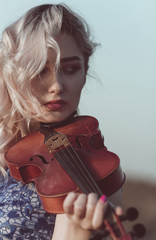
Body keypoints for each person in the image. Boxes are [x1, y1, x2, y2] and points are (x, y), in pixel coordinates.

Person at [0, 4, 124, 240]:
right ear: (12, 75)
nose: (56, 85)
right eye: (39, 70)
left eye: (70, 69)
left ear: (85, 72)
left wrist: (75, 232)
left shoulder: (99, 172)